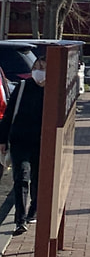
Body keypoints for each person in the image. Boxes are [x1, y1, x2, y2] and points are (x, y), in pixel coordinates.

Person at [0, 58, 46, 235]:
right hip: (19, 140)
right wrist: (2, 139)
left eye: (43, 68)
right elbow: (10, 114)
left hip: (41, 142)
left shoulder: (53, 91)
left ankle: (33, 210)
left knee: (38, 179)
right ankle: (20, 219)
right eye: (37, 68)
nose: (39, 72)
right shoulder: (23, 87)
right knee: (21, 178)